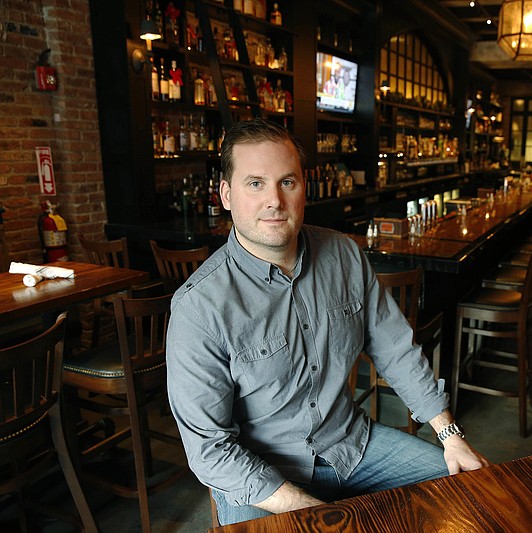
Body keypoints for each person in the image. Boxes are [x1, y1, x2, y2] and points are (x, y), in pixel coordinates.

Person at [166, 119, 489, 526]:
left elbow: (394, 348)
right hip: (263, 475)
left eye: (287, 182)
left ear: (305, 188)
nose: (274, 201)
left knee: (474, 486)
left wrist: (449, 434)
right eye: (255, 184)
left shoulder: (344, 255)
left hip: (350, 444)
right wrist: (314, 513)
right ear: (227, 195)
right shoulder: (199, 307)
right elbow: (210, 448)